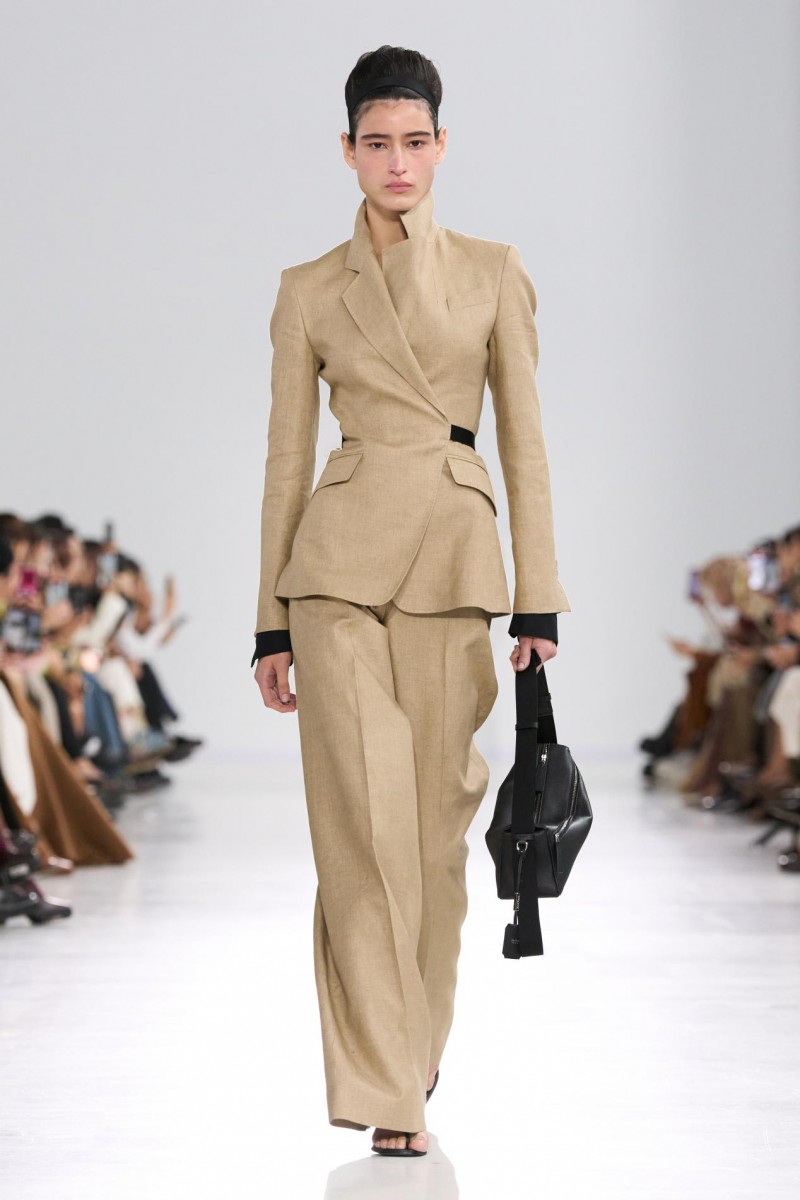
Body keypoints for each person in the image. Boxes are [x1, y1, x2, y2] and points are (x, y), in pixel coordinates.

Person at [251, 45, 570, 1158]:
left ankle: (412, 1044)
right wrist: (269, 619)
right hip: (333, 572)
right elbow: (284, 462)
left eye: (415, 141)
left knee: (432, 834)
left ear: (441, 147)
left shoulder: (492, 270)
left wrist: (538, 600)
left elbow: (524, 441)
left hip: (451, 564)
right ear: (346, 151)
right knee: (358, 833)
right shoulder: (306, 289)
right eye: (376, 143)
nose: (396, 161)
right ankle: (388, 1084)